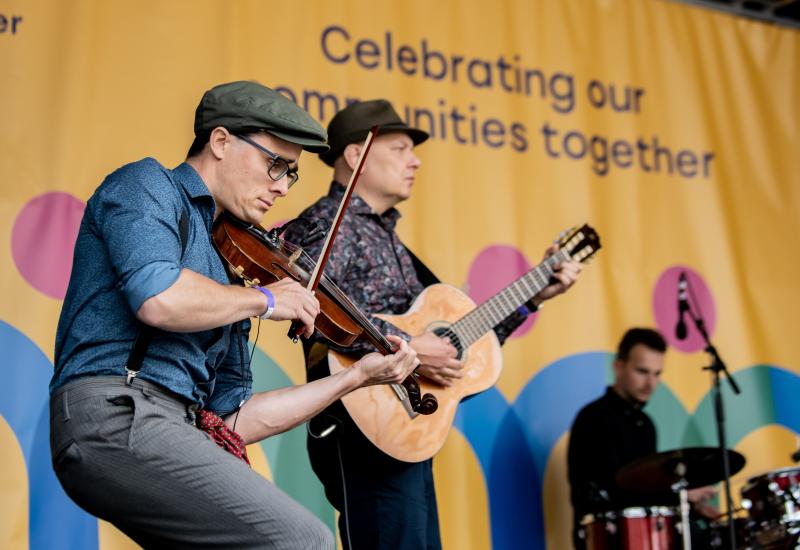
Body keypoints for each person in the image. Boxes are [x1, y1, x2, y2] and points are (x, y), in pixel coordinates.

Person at [49, 81, 420, 549]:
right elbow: (157, 296)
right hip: (115, 412)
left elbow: (233, 419)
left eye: (291, 174)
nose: (282, 187)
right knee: (304, 540)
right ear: (221, 141)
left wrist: (355, 378)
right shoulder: (146, 185)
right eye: (275, 164)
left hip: (178, 425)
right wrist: (266, 299)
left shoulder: (229, 268)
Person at [282, 99, 583, 550]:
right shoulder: (329, 224)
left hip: (407, 430)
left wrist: (533, 297)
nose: (415, 160)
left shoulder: (387, 237)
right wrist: (409, 346)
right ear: (355, 156)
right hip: (366, 428)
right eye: (400, 149)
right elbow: (311, 305)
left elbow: (455, 342)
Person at [567, 327, 717, 549]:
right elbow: (611, 492)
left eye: (657, 374)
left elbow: (648, 487)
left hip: (646, 537)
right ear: (618, 367)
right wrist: (681, 496)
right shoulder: (594, 418)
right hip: (609, 540)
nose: (650, 383)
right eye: (642, 371)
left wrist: (689, 507)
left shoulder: (646, 425)